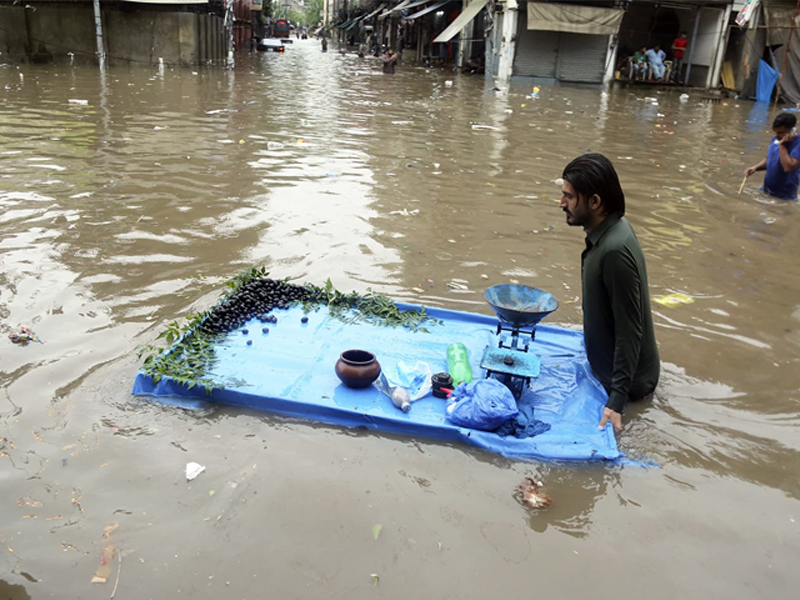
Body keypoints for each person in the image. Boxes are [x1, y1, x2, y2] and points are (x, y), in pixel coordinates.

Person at [558, 154, 660, 433]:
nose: (561, 203)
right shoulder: (611, 232)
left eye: (569, 197)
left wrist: (615, 402)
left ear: (595, 201)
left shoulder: (614, 251)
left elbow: (630, 331)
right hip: (610, 370)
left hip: (627, 386)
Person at [744, 112, 800, 200]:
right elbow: (770, 159)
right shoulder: (775, 138)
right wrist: (755, 167)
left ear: (791, 130)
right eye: (775, 131)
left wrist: (782, 146)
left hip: (785, 197)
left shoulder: (798, 143)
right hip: (766, 191)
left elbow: (788, 167)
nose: (776, 135)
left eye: (781, 132)